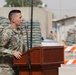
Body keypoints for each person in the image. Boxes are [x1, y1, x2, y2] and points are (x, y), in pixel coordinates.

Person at [0, 9, 25, 75]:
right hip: (6, 69)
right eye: (20, 17)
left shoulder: (20, 32)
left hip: (17, 67)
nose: (22, 19)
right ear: (13, 19)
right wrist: (12, 52)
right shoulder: (6, 32)